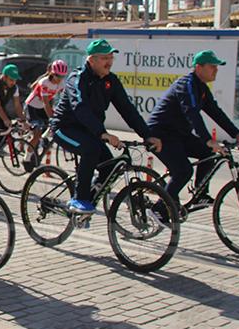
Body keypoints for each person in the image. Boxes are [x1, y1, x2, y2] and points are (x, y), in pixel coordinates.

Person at [51, 39, 162, 213]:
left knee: (110, 168)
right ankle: (79, 199)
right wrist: (102, 133)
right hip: (64, 128)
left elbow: (128, 110)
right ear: (91, 60)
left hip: (90, 131)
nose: (109, 62)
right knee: (91, 150)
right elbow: (80, 108)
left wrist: (146, 135)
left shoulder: (111, 81)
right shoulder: (77, 78)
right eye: (104, 58)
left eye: (111, 57)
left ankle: (89, 199)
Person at [148, 50, 239, 211]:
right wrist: (208, 139)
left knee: (208, 154)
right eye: (212, 66)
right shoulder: (186, 85)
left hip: (180, 135)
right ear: (198, 67)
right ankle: (159, 209)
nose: (216, 70)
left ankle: (200, 194)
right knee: (183, 171)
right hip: (161, 134)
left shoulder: (201, 88)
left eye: (217, 67)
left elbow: (215, 112)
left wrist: (236, 134)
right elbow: (192, 113)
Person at [24, 59, 69, 163]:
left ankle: (41, 143)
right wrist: (52, 118)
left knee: (50, 129)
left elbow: (65, 99)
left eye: (63, 76)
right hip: (32, 107)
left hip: (42, 108)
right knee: (38, 132)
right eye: (57, 76)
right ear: (52, 73)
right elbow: (45, 103)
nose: (60, 79)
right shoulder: (44, 82)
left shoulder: (61, 83)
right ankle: (27, 158)